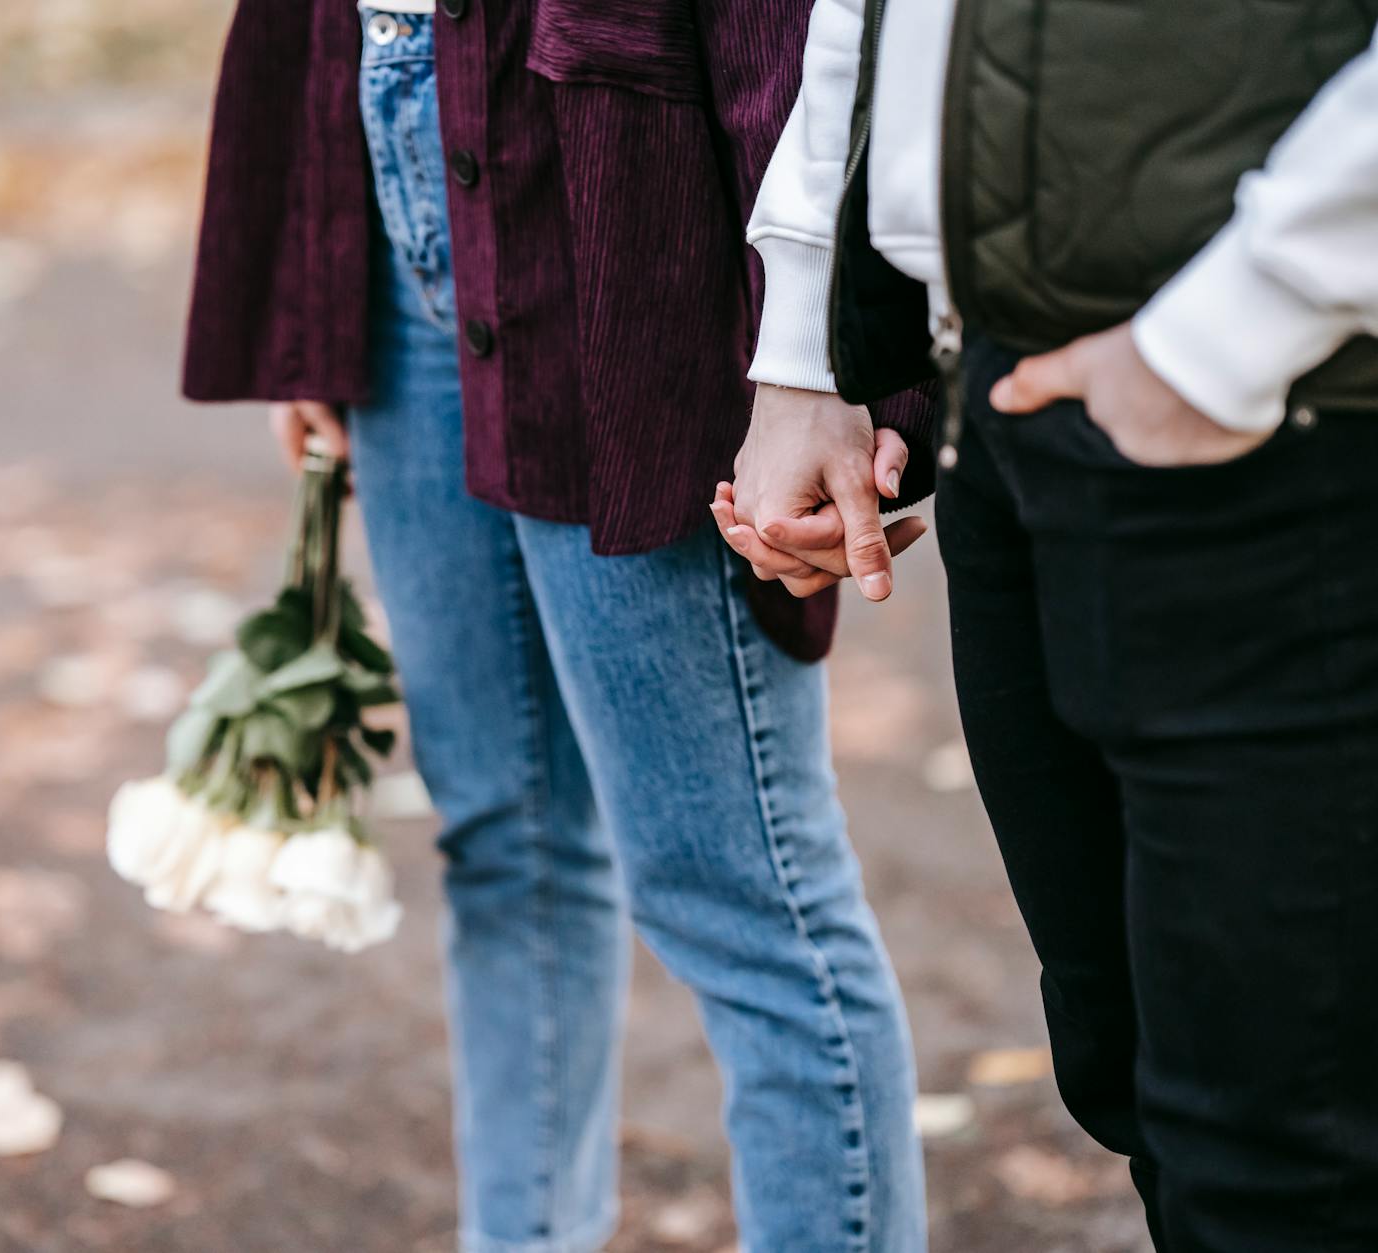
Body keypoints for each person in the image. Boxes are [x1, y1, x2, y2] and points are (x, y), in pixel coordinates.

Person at [181, 0, 936, 1248]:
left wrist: (841, 363)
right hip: (388, 168)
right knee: (499, 841)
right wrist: (309, 284)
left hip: (619, 201)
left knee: (743, 896)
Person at [722, 0, 1378, 1247]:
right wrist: (805, 344)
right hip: (1010, 393)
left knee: (1285, 1141)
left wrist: (1236, 324)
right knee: (1122, 1061)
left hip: (1292, 408)